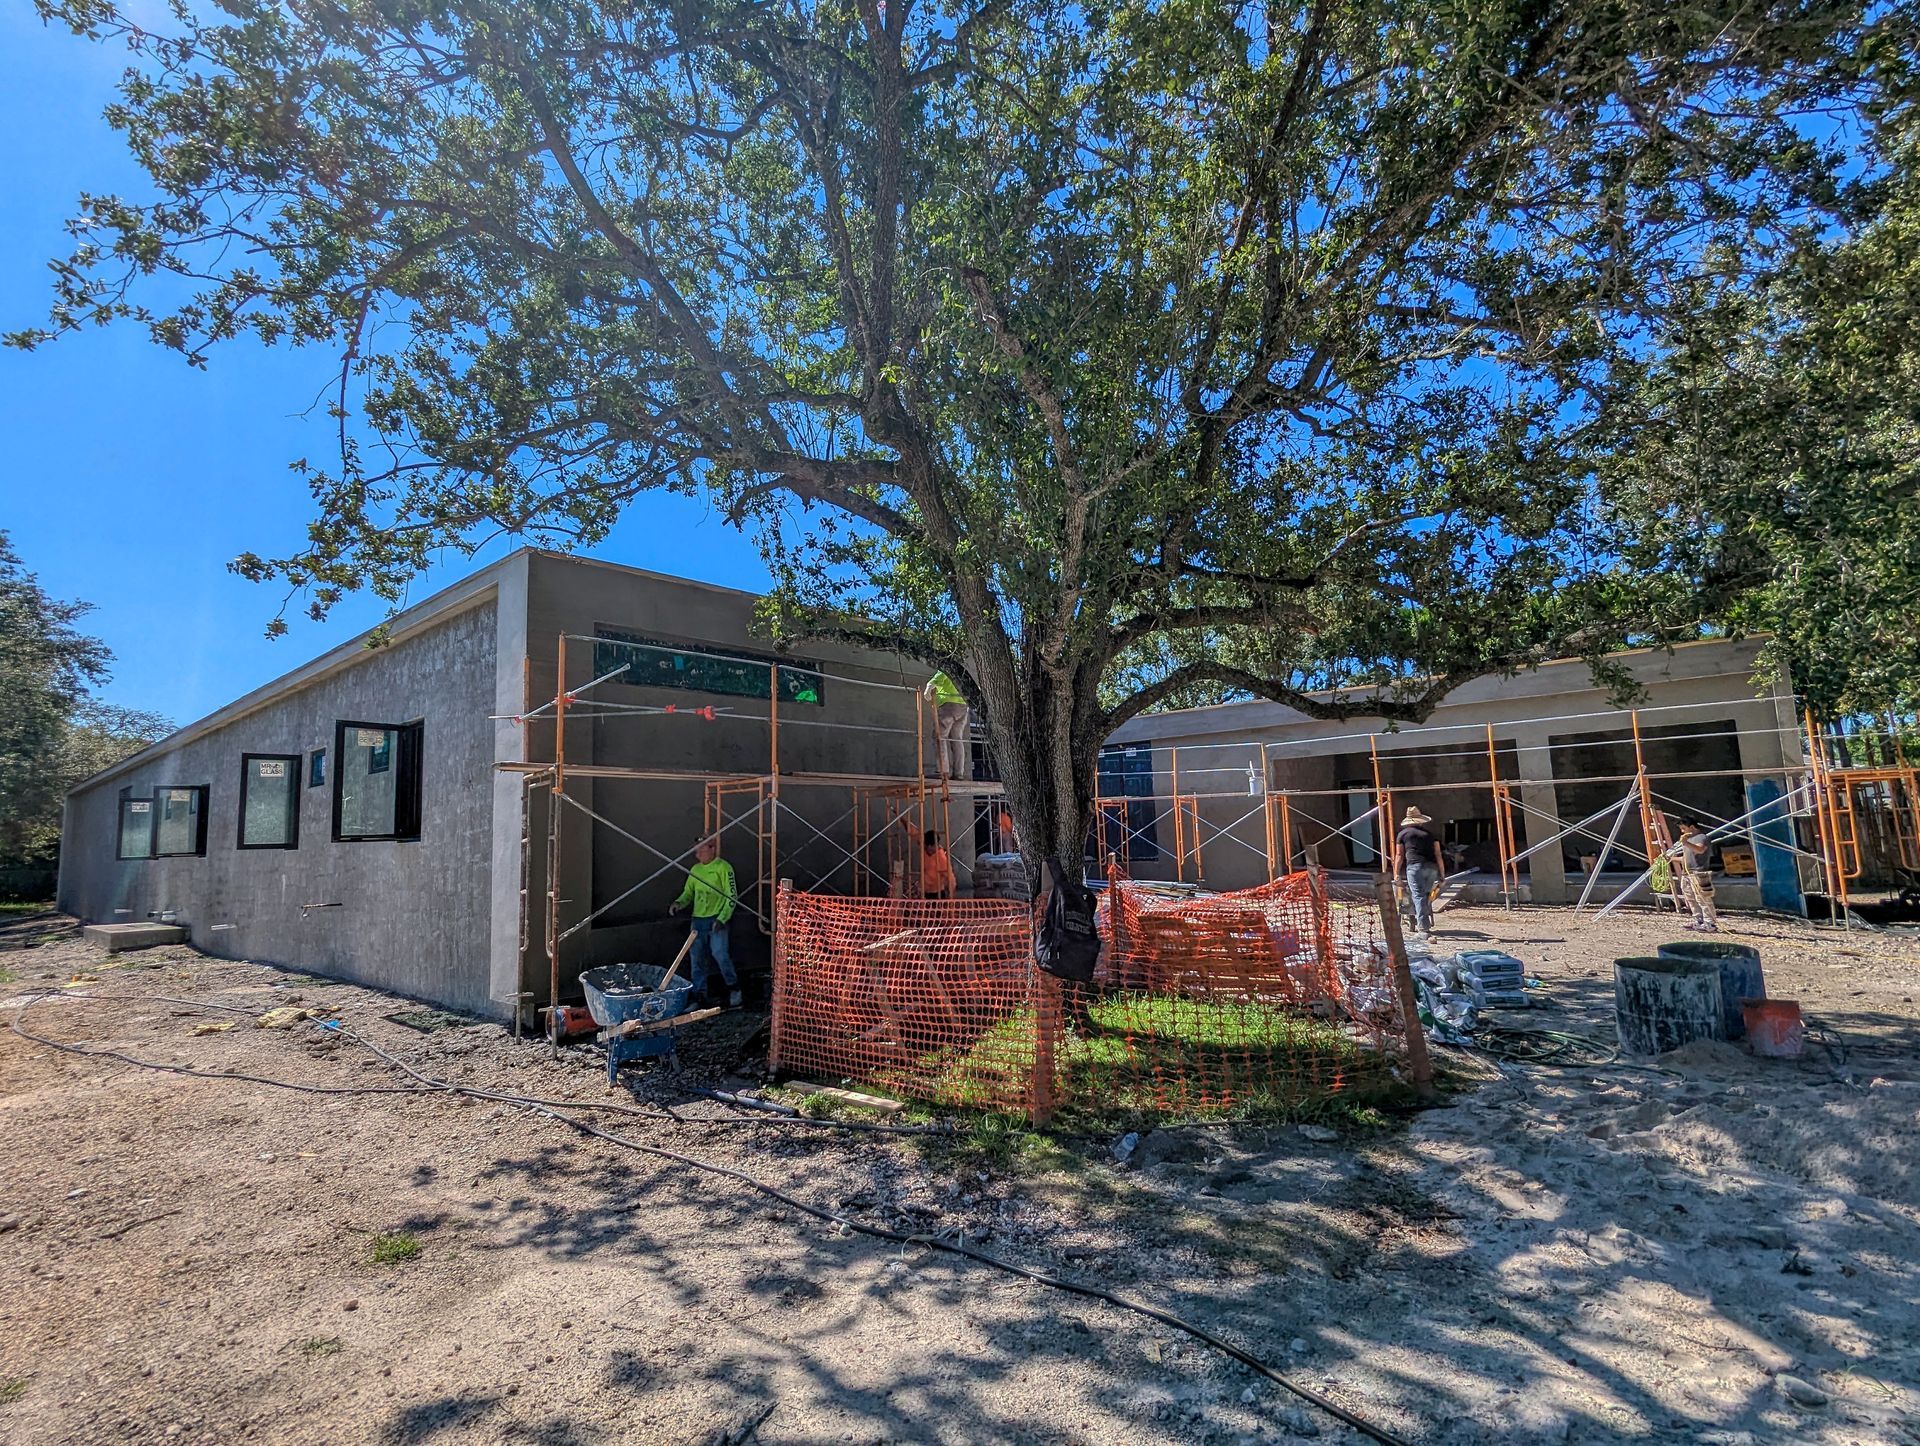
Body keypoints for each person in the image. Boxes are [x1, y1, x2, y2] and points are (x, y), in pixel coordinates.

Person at [670, 836, 741, 1008]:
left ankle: (734, 989)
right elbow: (688, 893)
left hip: (716, 919)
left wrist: (722, 918)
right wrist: (679, 903)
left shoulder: (723, 868)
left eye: (701, 849)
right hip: (698, 921)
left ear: (712, 848)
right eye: (696, 850)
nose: (698, 854)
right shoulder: (695, 870)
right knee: (697, 959)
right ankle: (699, 995)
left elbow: (732, 896)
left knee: (720, 954)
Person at [1394, 806, 1446, 935]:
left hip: (1415, 867)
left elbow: (1399, 855)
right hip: (1431, 868)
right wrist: (1442, 874)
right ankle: (1422, 921)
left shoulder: (1403, 834)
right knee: (1426, 896)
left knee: (1418, 896)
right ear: (1421, 821)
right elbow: (1438, 854)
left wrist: (1396, 873)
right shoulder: (1430, 835)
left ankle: (1423, 927)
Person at [1671, 818, 1720, 932]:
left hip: (1698, 872)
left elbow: (1700, 850)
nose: (1682, 832)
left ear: (1692, 827)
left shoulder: (1702, 837)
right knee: (1691, 898)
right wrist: (1670, 858)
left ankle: (1710, 923)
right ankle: (1699, 920)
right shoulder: (1688, 840)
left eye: (1684, 828)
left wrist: (1686, 843)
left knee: (1703, 898)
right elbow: (1685, 858)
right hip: (1687, 874)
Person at [924, 670, 971, 781]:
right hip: (963, 707)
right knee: (957, 739)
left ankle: (942, 771)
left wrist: (928, 688)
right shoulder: (960, 671)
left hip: (949, 705)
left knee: (939, 737)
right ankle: (959, 773)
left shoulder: (945, 667)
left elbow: (938, 678)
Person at [921, 828, 956, 900]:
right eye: (926, 847)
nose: (928, 849)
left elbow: (950, 878)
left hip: (937, 894)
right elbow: (914, 833)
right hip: (925, 892)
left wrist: (951, 897)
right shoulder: (924, 849)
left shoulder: (941, 858)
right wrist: (902, 820)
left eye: (931, 847)